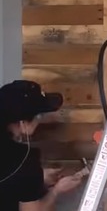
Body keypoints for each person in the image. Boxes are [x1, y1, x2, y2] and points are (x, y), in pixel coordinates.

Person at [0, 80, 85, 210]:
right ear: (23, 124)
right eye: (39, 116)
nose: (39, 120)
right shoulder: (24, 162)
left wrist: (38, 178)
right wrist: (57, 190)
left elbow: (10, 184)